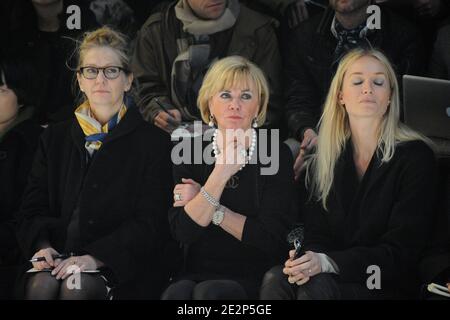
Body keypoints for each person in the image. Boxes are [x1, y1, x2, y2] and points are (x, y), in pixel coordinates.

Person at [260, 49, 437, 300]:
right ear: (341, 96)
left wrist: (328, 262)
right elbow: (317, 236)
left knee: (315, 286)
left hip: (384, 283)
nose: (368, 89)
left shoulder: (415, 157)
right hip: (332, 277)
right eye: (357, 81)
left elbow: (401, 252)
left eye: (378, 82)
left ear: (389, 98)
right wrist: (306, 260)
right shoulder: (325, 160)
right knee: (276, 278)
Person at [15, 26, 173, 300]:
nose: (100, 79)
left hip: (121, 264)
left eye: (111, 70)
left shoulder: (154, 142)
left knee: (75, 288)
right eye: (91, 70)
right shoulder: (54, 137)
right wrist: (42, 246)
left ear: (127, 80)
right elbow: (32, 205)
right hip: (57, 255)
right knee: (41, 286)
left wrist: (96, 258)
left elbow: (150, 222)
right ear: (80, 80)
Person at [162, 56, 295, 299]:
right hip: (197, 270)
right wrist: (222, 171)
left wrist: (207, 203)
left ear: (259, 106)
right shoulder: (189, 152)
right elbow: (184, 232)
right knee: (176, 295)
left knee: (209, 294)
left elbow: (270, 239)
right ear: (209, 104)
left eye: (246, 96)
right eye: (225, 95)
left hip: (257, 271)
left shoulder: (274, 151)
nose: (235, 105)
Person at [283, 0, 425, 179]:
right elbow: (298, 99)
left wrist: (348, 141)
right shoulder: (303, 35)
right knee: (285, 157)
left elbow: (402, 103)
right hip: (321, 132)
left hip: (381, 135)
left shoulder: (403, 36)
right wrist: (308, 132)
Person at [132, 0, 283, 135]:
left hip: (240, 141)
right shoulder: (156, 32)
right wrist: (159, 111)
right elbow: (145, 89)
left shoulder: (258, 30)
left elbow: (268, 101)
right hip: (172, 141)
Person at [0, 55, 42, 299]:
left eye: (2, 89)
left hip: (15, 260)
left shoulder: (31, 144)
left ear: (22, 97)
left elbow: (25, 217)